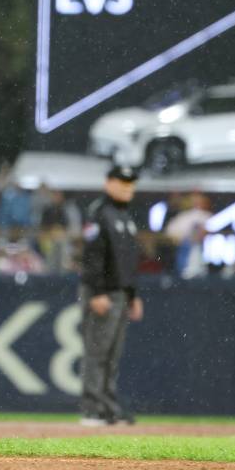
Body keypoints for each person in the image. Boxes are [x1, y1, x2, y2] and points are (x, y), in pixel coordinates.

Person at [79, 164, 144, 426]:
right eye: (122, 182)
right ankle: (93, 408)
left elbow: (127, 261)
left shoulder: (125, 216)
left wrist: (132, 295)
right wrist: (97, 292)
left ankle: (108, 405)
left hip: (120, 293)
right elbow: (92, 256)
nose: (127, 187)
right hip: (104, 291)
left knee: (112, 354)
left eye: (131, 183)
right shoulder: (99, 213)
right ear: (108, 183)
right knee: (97, 352)